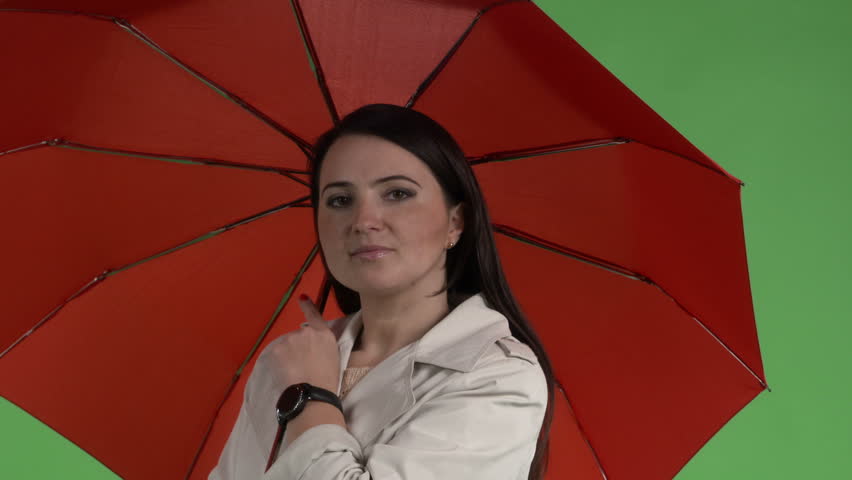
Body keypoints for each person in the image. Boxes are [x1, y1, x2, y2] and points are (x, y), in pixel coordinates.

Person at [209, 104, 556, 480]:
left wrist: (310, 396)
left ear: (456, 222)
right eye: (340, 200)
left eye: (397, 194)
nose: (363, 221)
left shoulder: (498, 376)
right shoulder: (284, 360)